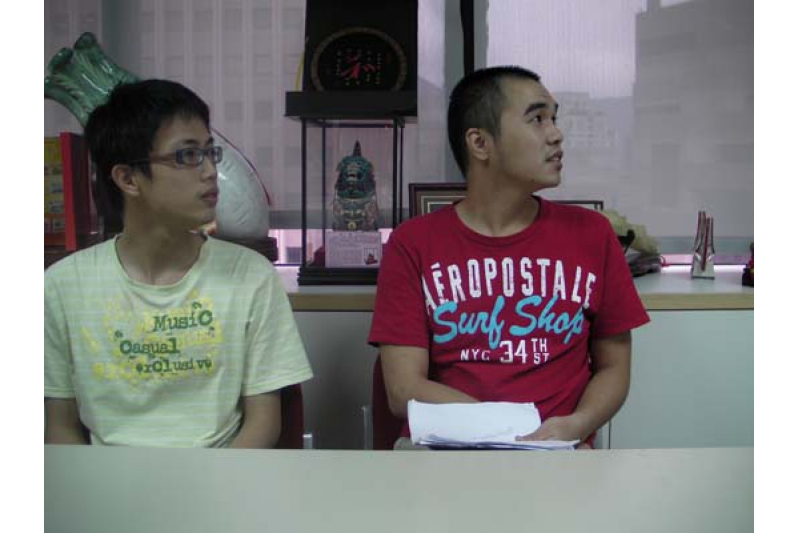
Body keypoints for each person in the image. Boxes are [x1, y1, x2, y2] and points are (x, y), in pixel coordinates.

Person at [368, 66, 649, 448]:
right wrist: (504, 431)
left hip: (556, 453)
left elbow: (614, 368)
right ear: (480, 143)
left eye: (554, 118)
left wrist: (576, 425)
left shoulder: (592, 235)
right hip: (445, 452)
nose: (556, 134)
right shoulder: (412, 243)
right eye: (537, 119)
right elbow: (403, 389)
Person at [45, 79, 313, 447]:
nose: (209, 171)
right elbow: (60, 426)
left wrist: (215, 481)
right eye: (187, 156)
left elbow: (264, 423)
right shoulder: (63, 286)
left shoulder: (251, 276)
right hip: (107, 478)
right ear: (128, 178)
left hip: (221, 473)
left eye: (210, 152)